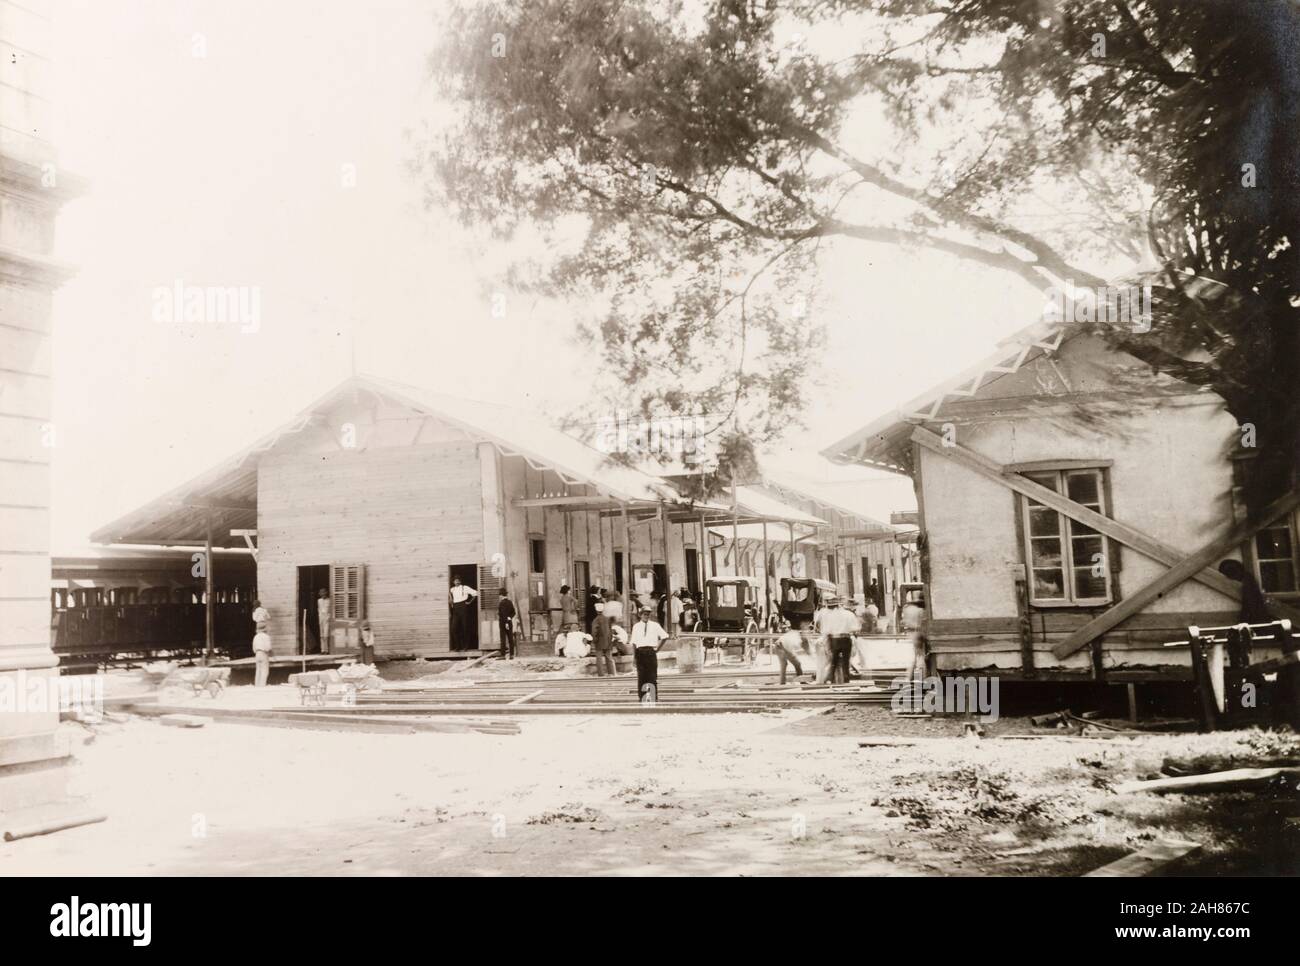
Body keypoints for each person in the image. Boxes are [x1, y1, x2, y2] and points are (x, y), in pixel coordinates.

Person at [628, 604, 670, 704]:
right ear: (640, 615)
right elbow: (634, 642)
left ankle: (653, 697)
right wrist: (634, 657)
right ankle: (642, 698)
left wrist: (658, 649)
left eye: (648, 614)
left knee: (652, 676)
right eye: (644, 614)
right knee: (642, 676)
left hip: (651, 652)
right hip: (640, 652)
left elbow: (665, 636)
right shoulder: (636, 626)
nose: (646, 616)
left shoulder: (655, 625)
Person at [817, 594, 860, 684]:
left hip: (834, 639)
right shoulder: (849, 614)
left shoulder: (830, 615)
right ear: (839, 605)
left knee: (834, 661)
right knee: (845, 662)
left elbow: (825, 629)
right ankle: (846, 680)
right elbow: (855, 628)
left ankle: (830, 680)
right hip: (845, 639)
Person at [902, 594, 927, 683]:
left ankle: (909, 677)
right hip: (918, 632)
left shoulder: (907, 608)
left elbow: (903, 621)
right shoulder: (920, 610)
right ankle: (923, 677)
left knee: (914, 655)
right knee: (920, 655)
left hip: (910, 632)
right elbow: (923, 623)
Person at [448, 576, 478, 649]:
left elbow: (476, 593)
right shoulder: (452, 589)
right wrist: (451, 602)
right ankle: (458, 646)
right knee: (454, 628)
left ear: (460, 581)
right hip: (455, 608)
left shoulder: (465, 588)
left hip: (463, 607)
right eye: (455, 581)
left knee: (465, 627)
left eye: (458, 580)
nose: (457, 582)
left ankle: (466, 646)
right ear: (453, 582)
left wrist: (469, 602)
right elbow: (450, 597)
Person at [590, 604, 618, 677]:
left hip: (599, 641)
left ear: (596, 610)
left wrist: (595, 640)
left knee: (599, 658)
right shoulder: (608, 619)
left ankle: (601, 674)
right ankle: (611, 673)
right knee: (609, 657)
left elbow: (594, 631)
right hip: (608, 641)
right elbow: (611, 630)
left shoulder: (596, 620)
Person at [774, 620, 804, 685]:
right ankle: (802, 680)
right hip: (781, 646)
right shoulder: (795, 634)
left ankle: (782, 682)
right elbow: (791, 648)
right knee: (797, 664)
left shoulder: (794, 634)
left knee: (784, 665)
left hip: (780, 645)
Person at [497, 589, 517, 660]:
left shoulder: (502, 603)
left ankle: (503, 655)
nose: (499, 596)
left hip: (503, 623)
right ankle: (512, 655)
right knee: (510, 638)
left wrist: (506, 623)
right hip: (509, 622)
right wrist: (509, 618)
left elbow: (503, 614)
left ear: (501, 595)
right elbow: (514, 612)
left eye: (500, 595)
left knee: (503, 639)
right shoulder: (510, 602)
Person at [252, 622, 272, 687]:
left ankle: (257, 685)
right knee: (264, 670)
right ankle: (262, 685)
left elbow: (254, 648)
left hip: (257, 653)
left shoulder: (256, 637)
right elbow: (268, 647)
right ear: (265, 629)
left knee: (258, 670)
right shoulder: (266, 637)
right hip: (264, 654)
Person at [316, 588, 331, 654]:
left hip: (327, 618)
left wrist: (328, 618)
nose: (323, 594)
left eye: (324, 593)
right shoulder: (319, 601)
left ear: (326, 593)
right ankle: (322, 650)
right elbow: (319, 610)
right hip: (321, 618)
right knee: (321, 635)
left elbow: (330, 611)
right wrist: (319, 618)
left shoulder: (329, 600)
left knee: (326, 635)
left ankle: (327, 650)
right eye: (321, 593)